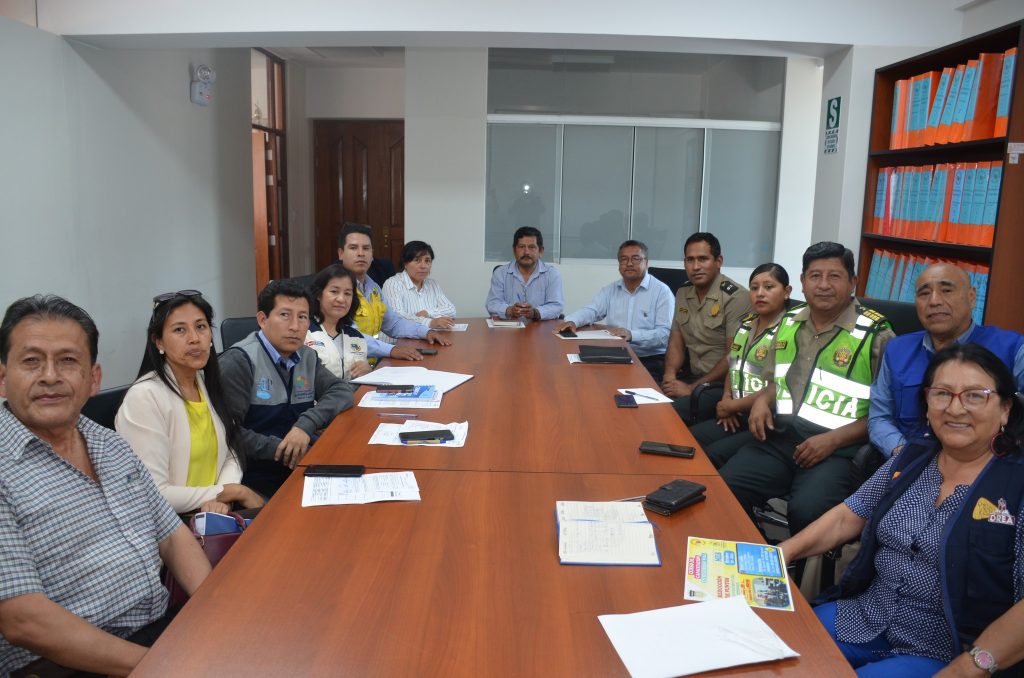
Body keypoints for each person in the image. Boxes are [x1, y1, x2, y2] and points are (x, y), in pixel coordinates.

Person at [782, 344, 1024, 676]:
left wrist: (969, 668)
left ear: (1005, 409)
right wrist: (781, 554)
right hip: (865, 616)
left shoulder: (1016, 486)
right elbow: (849, 515)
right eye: (942, 394)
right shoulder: (912, 457)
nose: (955, 408)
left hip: (946, 651)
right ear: (927, 402)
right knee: (776, 644)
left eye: (974, 396)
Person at [0, 295, 210, 677]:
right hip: (67, 664)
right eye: (31, 361)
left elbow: (172, 536)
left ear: (93, 379)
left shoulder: (110, 443)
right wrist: (161, 667)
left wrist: (217, 612)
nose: (50, 376)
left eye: (68, 360)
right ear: (2, 378)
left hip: (159, 632)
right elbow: (22, 619)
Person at [718, 242, 894, 539]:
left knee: (807, 512)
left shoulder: (877, 336)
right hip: (783, 438)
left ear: (852, 282)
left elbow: (887, 415)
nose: (823, 285)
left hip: (837, 450)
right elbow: (777, 380)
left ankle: (797, 567)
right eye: (815, 276)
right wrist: (762, 400)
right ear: (802, 281)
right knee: (726, 486)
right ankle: (756, 551)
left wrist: (833, 440)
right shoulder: (788, 322)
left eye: (834, 276)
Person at [115, 290, 265, 518]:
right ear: (158, 342)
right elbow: (152, 493)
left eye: (201, 327)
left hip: (215, 513)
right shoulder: (144, 397)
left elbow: (232, 450)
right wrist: (230, 492)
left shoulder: (207, 383)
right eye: (179, 330)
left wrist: (221, 499)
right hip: (168, 525)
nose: (194, 338)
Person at [869, 262, 1024, 457]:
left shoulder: (1012, 348)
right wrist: (904, 454)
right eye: (924, 293)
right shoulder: (897, 349)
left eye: (947, 290)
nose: (934, 301)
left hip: (985, 463)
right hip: (909, 460)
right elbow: (879, 418)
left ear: (972, 297)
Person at [219, 279, 354, 497]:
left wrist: (305, 426)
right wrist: (284, 449)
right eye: (284, 315)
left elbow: (341, 391)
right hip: (256, 476)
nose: (295, 326)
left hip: (301, 465)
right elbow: (229, 433)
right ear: (262, 320)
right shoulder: (238, 361)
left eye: (302, 317)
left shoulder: (307, 356)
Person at [690, 263, 791, 468]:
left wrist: (730, 406)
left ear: (787, 292)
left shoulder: (790, 330)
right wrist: (727, 398)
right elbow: (733, 365)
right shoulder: (746, 324)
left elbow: (778, 387)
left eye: (769, 287)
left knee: (712, 455)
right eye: (754, 288)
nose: (760, 293)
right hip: (736, 413)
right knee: (690, 438)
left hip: (765, 419)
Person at [661, 232, 752, 422]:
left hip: (720, 385)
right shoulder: (683, 292)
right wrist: (669, 377)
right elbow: (676, 341)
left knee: (666, 415)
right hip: (691, 376)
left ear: (718, 261)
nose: (695, 267)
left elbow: (733, 356)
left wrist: (692, 388)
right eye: (690, 260)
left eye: (703, 259)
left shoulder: (736, 297)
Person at [553, 240, 673, 379]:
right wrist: (573, 321)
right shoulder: (610, 290)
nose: (629, 263)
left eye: (635, 258)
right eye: (624, 259)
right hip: (615, 354)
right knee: (584, 378)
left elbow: (665, 334)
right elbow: (592, 310)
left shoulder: (661, 292)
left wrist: (632, 335)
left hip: (649, 359)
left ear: (646, 262)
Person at [336, 222, 451, 350]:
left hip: (372, 357)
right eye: (353, 248)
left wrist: (426, 332)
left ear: (372, 254)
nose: (361, 253)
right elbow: (351, 337)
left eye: (366, 248)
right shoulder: (335, 289)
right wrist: (391, 350)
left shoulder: (373, 288)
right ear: (341, 253)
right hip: (348, 360)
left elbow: (394, 324)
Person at [308, 264, 429, 376]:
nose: (341, 299)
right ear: (319, 294)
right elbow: (301, 382)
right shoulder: (305, 333)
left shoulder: (355, 336)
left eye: (347, 293)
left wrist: (368, 371)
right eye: (334, 292)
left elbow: (359, 376)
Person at [485, 226, 564, 321]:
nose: (526, 252)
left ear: (541, 251)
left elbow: (556, 306)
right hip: (509, 327)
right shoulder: (500, 273)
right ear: (514, 250)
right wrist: (510, 310)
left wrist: (535, 313)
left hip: (539, 327)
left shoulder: (552, 274)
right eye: (521, 247)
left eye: (532, 247)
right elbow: (492, 304)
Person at [382, 240, 458, 330]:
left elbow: (451, 310)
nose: (423, 266)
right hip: (397, 338)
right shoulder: (393, 284)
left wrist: (427, 313)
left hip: (427, 336)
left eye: (427, 261)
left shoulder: (433, 285)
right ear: (405, 263)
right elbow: (397, 317)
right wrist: (430, 322)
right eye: (417, 260)